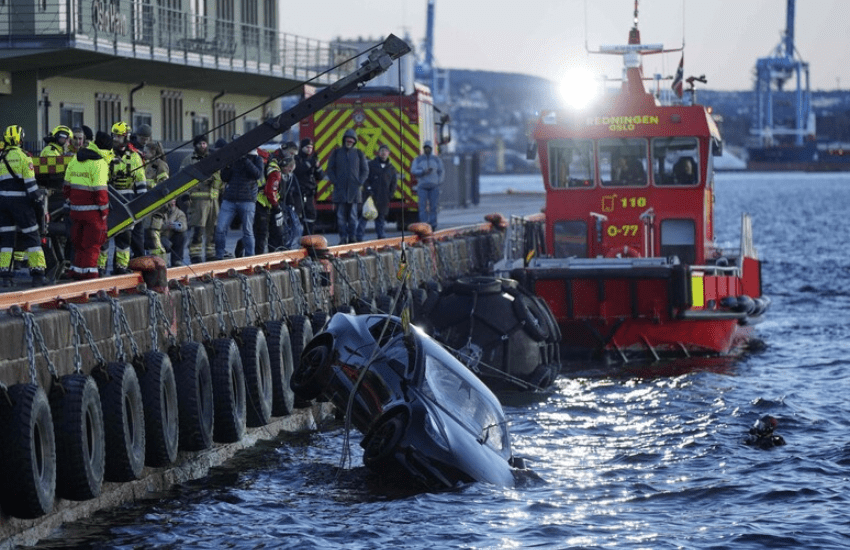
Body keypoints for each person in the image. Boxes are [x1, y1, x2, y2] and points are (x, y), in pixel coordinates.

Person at [0, 125, 48, 287]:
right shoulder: (24, 157)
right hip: (21, 204)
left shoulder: (1, 158)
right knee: (31, 236)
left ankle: (5, 277)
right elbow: (31, 187)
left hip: (3, 205)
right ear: (20, 139)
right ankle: (38, 274)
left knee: (6, 240)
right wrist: (40, 200)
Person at [98, 121, 147, 274]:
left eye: (119, 136)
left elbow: (140, 181)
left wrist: (142, 202)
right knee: (105, 236)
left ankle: (121, 267)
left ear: (127, 137)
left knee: (125, 238)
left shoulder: (135, 157)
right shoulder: (106, 155)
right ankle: (100, 267)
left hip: (129, 201)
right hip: (109, 200)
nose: (116, 139)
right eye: (114, 136)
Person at [62, 131, 111, 279]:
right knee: (93, 244)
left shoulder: (76, 158)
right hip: (93, 212)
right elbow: (100, 191)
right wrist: (104, 211)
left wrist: (71, 200)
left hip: (75, 210)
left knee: (78, 243)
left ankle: (76, 271)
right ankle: (90, 275)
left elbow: (66, 185)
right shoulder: (100, 163)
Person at [214, 148, 263, 259]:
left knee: (248, 231)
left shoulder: (257, 159)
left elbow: (257, 174)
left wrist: (245, 160)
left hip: (247, 200)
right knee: (220, 228)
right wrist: (227, 165)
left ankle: (250, 258)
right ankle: (219, 256)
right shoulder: (234, 158)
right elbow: (225, 177)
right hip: (230, 199)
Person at [182, 134, 223, 263]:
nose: (202, 145)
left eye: (204, 143)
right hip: (197, 202)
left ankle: (210, 254)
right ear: (195, 145)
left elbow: (220, 178)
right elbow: (182, 179)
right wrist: (185, 195)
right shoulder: (189, 160)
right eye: (200, 143)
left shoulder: (212, 159)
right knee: (197, 230)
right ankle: (195, 255)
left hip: (213, 202)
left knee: (212, 230)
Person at [326, 128, 368, 244]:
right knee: (341, 217)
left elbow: (365, 170)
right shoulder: (336, 153)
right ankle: (343, 238)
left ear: (354, 142)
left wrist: (360, 182)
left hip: (354, 191)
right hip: (340, 190)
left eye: (352, 140)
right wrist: (335, 181)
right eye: (348, 139)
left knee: (353, 216)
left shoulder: (359, 153)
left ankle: (352, 237)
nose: (349, 142)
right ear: (344, 140)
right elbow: (330, 169)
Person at [357, 144, 398, 240]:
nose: (383, 153)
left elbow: (393, 183)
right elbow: (365, 178)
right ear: (378, 153)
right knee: (365, 215)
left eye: (385, 151)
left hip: (383, 197)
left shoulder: (391, 169)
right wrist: (368, 189)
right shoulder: (371, 165)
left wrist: (390, 194)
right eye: (382, 151)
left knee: (381, 218)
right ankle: (358, 236)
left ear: (388, 153)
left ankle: (381, 236)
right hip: (370, 196)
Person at [144, 139, 172, 257]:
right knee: (148, 236)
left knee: (154, 235)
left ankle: (161, 261)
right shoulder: (146, 165)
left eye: (145, 151)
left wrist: (147, 185)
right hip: (147, 206)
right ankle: (153, 260)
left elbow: (164, 186)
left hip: (158, 207)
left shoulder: (160, 165)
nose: (143, 153)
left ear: (153, 152)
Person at [410, 140, 445, 230]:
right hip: (422, 186)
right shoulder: (418, 159)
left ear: (431, 148)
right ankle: (424, 224)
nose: (427, 149)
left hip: (434, 186)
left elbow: (441, 171)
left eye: (428, 148)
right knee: (422, 207)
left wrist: (438, 181)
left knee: (434, 207)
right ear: (423, 148)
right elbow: (413, 170)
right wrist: (423, 172)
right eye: (425, 148)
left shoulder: (436, 159)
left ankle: (433, 224)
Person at [293, 137, 323, 235]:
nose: (309, 149)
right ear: (302, 147)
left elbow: (320, 176)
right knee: (297, 214)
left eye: (311, 147)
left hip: (309, 193)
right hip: (299, 193)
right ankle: (295, 238)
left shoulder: (312, 160)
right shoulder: (297, 159)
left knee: (311, 215)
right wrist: (310, 164)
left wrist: (317, 166)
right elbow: (299, 170)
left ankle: (308, 236)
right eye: (307, 147)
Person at [149, 199, 187, 266]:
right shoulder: (159, 212)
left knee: (182, 235)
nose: (173, 202)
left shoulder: (179, 213)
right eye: (171, 200)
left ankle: (177, 260)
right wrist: (166, 225)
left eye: (174, 200)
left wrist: (175, 225)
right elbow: (154, 226)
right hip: (161, 237)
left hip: (172, 237)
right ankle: (161, 262)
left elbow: (184, 226)